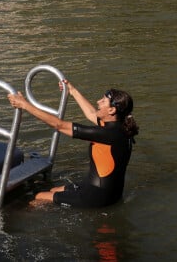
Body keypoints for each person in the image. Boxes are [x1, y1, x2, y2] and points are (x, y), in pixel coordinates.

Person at [8, 79, 139, 208]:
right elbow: (91, 113)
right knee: (54, 190)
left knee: (40, 197)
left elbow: (59, 125)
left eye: (103, 101)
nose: (98, 102)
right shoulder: (120, 128)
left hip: (97, 196)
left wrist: (24, 105)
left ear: (111, 111)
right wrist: (73, 91)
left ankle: (19, 219)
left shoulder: (106, 134)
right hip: (109, 192)